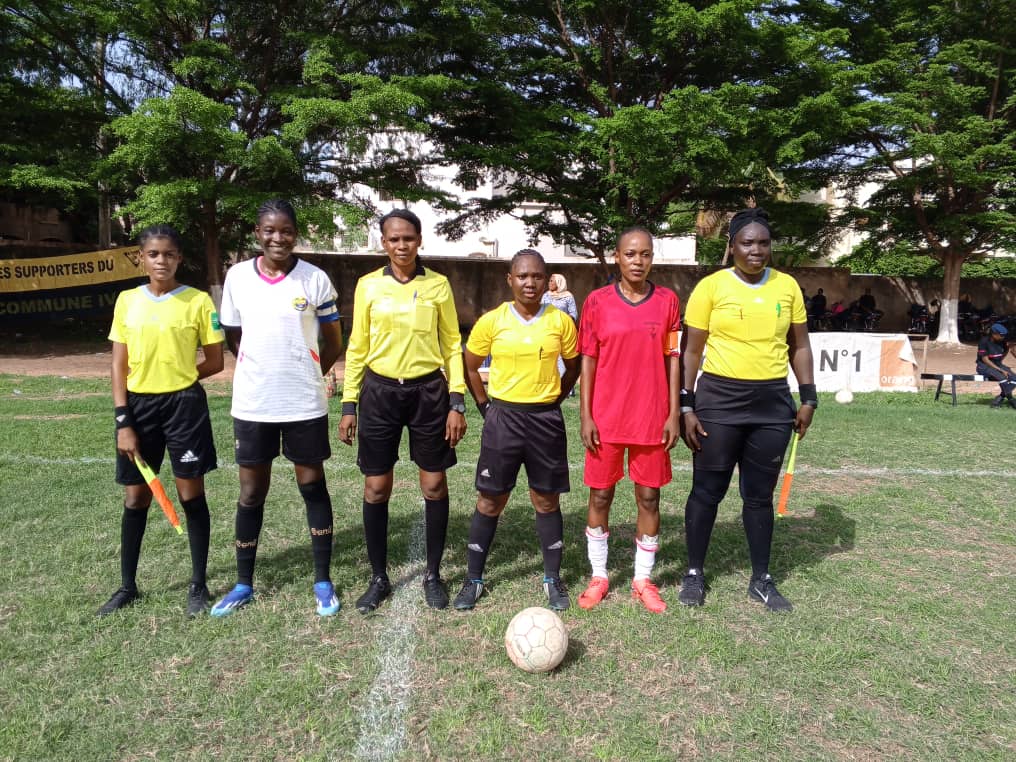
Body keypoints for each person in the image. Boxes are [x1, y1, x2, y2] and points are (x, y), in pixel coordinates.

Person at [678, 207, 816, 613]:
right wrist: (687, 404)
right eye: (747, 242)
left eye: (763, 243)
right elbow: (691, 350)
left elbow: (801, 346)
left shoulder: (787, 287)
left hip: (772, 404)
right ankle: (694, 574)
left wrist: (807, 397)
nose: (756, 250)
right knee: (707, 491)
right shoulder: (710, 288)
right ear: (732, 245)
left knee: (759, 496)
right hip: (718, 400)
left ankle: (761, 579)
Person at [211, 199, 344, 618]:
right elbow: (234, 335)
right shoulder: (237, 278)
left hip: (304, 401)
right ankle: (243, 582)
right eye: (270, 230)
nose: (278, 238)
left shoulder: (315, 279)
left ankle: (322, 580)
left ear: (295, 234)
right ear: (257, 233)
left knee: (311, 485)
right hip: (254, 403)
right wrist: (259, 365)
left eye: (286, 230)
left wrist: (310, 368)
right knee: (251, 492)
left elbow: (333, 339)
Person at [339, 208, 467, 613]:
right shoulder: (367, 286)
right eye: (393, 239)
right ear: (383, 242)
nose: (401, 245)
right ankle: (379, 578)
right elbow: (358, 345)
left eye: (408, 238)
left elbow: (452, 345)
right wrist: (349, 402)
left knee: (433, 485)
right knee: (376, 487)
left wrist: (457, 399)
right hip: (379, 393)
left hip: (429, 391)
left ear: (419, 240)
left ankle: (433, 574)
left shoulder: (439, 285)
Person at [98, 224, 225, 618]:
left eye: (169, 254)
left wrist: (179, 379)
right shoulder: (126, 301)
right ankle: (127, 586)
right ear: (141, 257)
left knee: (190, 494)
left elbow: (216, 360)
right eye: (154, 254)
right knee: (136, 496)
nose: (161, 261)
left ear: (179, 259)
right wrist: (124, 421)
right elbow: (119, 366)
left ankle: (198, 584)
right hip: (137, 409)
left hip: (184, 406)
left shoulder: (199, 301)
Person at [454, 250, 580, 611]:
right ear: (510, 279)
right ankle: (474, 579)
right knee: (491, 499)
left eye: (537, 276)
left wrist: (554, 396)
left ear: (547, 280)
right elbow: (470, 363)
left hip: (545, 420)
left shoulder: (560, 321)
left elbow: (573, 366)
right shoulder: (492, 321)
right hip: (503, 419)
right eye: (522, 276)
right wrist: (484, 405)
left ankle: (552, 579)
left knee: (546, 498)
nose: (530, 282)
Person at [576, 227, 682, 614]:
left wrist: (672, 412)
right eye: (631, 254)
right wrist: (586, 414)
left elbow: (673, 359)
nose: (638, 261)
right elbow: (587, 358)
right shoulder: (597, 302)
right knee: (600, 495)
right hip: (606, 418)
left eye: (646, 254)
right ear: (617, 257)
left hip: (652, 417)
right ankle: (599, 575)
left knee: (649, 497)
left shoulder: (668, 301)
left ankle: (642, 579)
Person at [976, 323, 1016, 409]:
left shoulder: (1003, 342)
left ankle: (999, 399)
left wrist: (1011, 349)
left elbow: (1002, 355)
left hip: (997, 365)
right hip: (984, 366)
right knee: (1003, 379)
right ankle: (1011, 400)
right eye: (1001, 335)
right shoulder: (984, 342)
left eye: (1004, 335)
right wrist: (1001, 370)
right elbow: (985, 360)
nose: (1003, 337)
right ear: (994, 334)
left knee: (1014, 378)